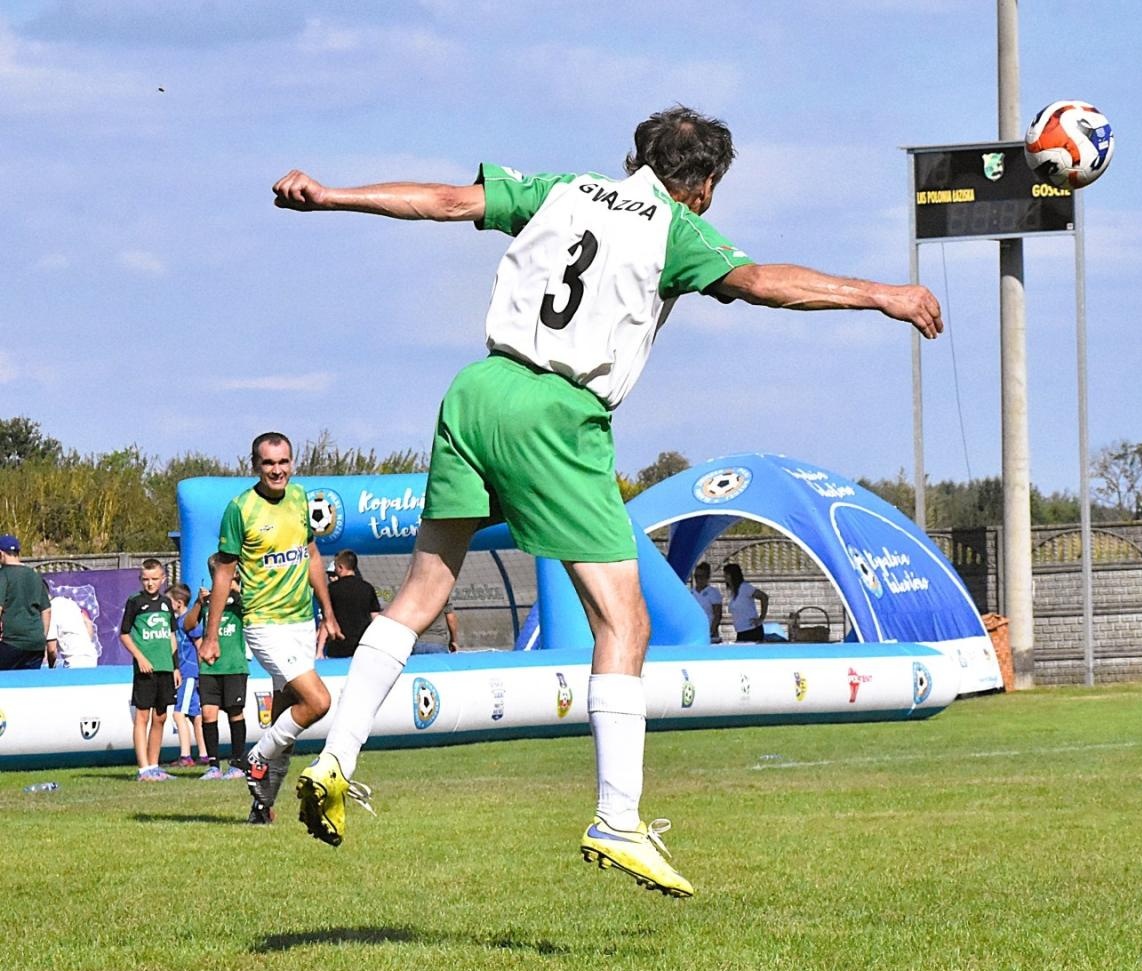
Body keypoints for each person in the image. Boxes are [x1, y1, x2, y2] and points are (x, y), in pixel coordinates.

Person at [277, 104, 942, 896]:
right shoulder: (674, 227)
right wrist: (882, 295)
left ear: (636, 154)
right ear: (704, 186)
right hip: (558, 412)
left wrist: (331, 194)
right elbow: (763, 282)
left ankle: (335, 760)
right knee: (626, 620)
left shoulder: (567, 190)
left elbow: (448, 201)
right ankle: (617, 818)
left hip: (476, 390)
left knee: (423, 591)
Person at [198, 432, 342, 824]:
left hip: (300, 621)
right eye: (268, 463)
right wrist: (210, 637)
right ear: (255, 466)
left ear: (292, 463)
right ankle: (255, 757)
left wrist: (327, 611)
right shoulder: (240, 508)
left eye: (283, 462)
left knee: (287, 720)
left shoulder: (300, 499)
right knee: (318, 702)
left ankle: (261, 807)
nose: (276, 470)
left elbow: (311, 554)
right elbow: (224, 575)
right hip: (264, 622)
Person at [186, 555, 250, 781]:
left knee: (235, 712)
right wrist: (198, 603)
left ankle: (238, 762)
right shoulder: (208, 601)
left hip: (234, 666)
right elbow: (188, 625)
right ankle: (213, 765)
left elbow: (252, 610)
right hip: (210, 668)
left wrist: (236, 591)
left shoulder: (241, 600)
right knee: (208, 713)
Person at [120, 559, 179, 781]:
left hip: (165, 667)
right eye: (146, 579)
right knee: (142, 716)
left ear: (163, 579)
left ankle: (154, 765)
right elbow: (124, 634)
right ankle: (143, 769)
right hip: (146, 670)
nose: (150, 583)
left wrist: (175, 667)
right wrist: (140, 657)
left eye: (154, 579)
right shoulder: (135, 602)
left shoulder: (166, 604)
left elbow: (172, 636)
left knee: (161, 717)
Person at [0, 534, 51, 671]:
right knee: (28, 685)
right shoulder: (35, 575)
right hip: (35, 644)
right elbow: (46, 610)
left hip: (11, 642)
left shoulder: (3, 575)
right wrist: (42, 638)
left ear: (1, 554)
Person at [169, 583, 204, 767]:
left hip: (189, 674)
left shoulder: (187, 621)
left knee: (178, 714)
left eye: (170, 601)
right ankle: (204, 754)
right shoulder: (176, 622)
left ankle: (185, 756)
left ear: (179, 603)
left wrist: (202, 672)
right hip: (187, 673)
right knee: (195, 715)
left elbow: (200, 646)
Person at [321, 550, 381, 658]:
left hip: (339, 646)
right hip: (362, 646)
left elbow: (327, 619)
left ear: (340, 567)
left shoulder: (332, 589)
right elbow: (376, 619)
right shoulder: (367, 588)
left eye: (335, 567)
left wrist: (319, 650)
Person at [45, 593, 99, 668]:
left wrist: (51, 669)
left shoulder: (50, 610)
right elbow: (88, 623)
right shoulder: (69, 603)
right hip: (91, 658)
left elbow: (52, 650)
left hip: (73, 663)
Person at [723, 563, 768, 643]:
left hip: (752, 630)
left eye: (727, 575)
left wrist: (761, 618)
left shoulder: (745, 588)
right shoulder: (733, 593)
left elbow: (764, 597)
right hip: (741, 631)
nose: (725, 577)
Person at [689, 562, 723, 642]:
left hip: (709, 632)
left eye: (701, 576)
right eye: (696, 576)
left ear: (707, 577)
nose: (698, 579)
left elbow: (717, 615)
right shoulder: (690, 593)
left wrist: (711, 632)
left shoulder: (713, 593)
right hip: (694, 632)